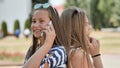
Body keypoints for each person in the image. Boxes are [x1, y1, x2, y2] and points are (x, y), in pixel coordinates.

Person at [23, 1, 67, 68]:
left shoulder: (59, 51)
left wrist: (47, 44)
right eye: (34, 21)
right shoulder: (32, 50)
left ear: (52, 24)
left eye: (41, 21)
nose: (36, 25)